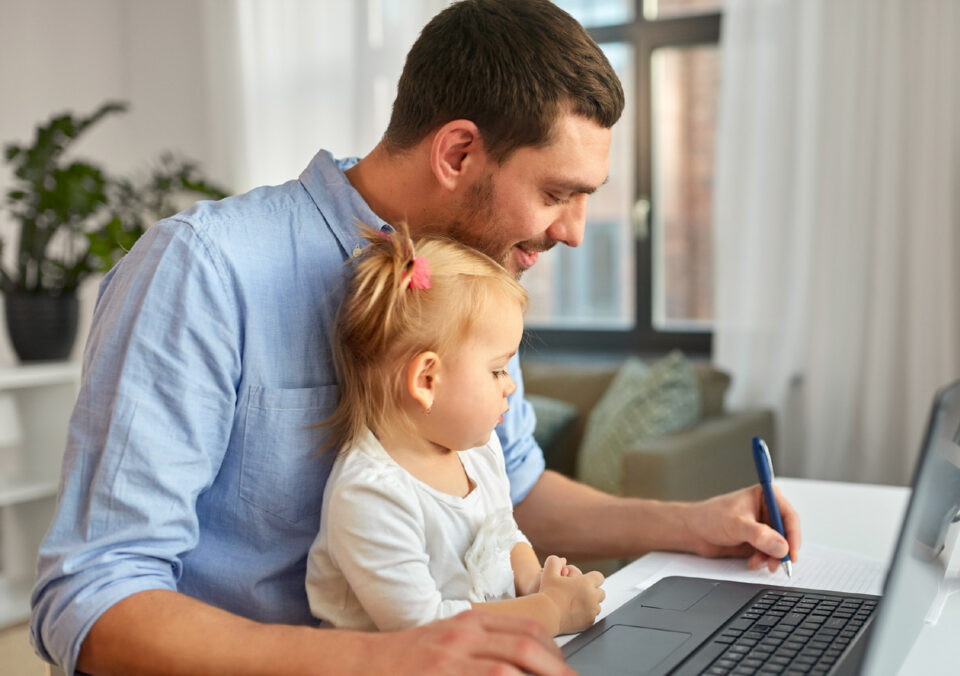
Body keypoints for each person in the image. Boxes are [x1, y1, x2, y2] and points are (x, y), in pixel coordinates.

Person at [31, 1, 801, 674]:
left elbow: (518, 489)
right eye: (557, 193)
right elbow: (93, 597)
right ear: (459, 152)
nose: (572, 231)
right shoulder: (204, 269)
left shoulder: (471, 283)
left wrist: (692, 525)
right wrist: (387, 660)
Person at [306, 227, 605, 636]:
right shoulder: (371, 494)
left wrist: (537, 583)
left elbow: (504, 534)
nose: (510, 385)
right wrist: (549, 611)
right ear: (427, 380)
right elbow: (422, 627)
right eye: (498, 369)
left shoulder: (478, 451)